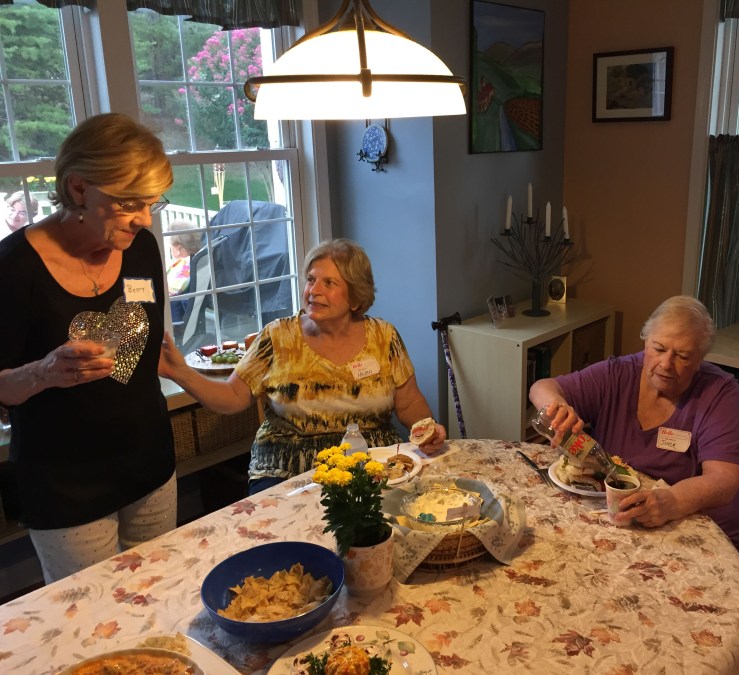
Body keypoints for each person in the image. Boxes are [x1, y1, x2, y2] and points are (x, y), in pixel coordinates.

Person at [0, 113, 176, 583]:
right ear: (78, 188)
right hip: (66, 484)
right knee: (92, 612)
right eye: (129, 203)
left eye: (152, 203)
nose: (144, 218)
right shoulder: (14, 268)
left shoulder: (141, 247)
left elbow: (147, 348)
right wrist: (43, 372)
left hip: (150, 463)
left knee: (161, 591)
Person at [159, 238, 447, 495]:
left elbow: (409, 403)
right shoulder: (277, 336)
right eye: (311, 280)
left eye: (329, 283)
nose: (313, 291)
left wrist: (427, 430)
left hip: (372, 463)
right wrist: (180, 373)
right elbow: (233, 396)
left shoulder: (384, 336)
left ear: (356, 298)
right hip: (287, 467)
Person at [529, 295, 739, 550]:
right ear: (646, 341)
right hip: (627, 512)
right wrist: (557, 407)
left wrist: (674, 500)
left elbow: (724, 480)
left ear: (701, 358)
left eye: (682, 356)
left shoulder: (719, 392)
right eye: (659, 349)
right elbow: (541, 387)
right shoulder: (617, 373)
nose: (666, 364)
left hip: (698, 522)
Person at [165, 220, 202, 296]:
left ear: (179, 248)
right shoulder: (198, 260)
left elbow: (167, 293)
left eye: (171, 246)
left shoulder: (184, 266)